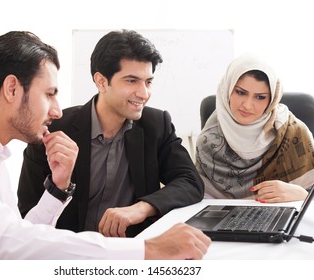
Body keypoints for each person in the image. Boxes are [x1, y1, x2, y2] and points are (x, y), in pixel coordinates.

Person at [0, 31, 211, 259]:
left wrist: (57, 188)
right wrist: (147, 250)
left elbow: (21, 236)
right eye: (49, 94)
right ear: (12, 88)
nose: (56, 111)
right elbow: (4, 244)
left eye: (148, 81)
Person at [18, 29, 204, 237]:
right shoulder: (54, 128)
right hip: (70, 254)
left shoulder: (157, 124)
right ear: (101, 81)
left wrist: (140, 208)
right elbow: (28, 214)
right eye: (131, 81)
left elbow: (190, 182)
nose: (144, 93)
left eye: (148, 82)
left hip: (130, 253)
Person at [195, 54, 314, 203]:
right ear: (227, 90)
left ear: (272, 99)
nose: (247, 105)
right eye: (241, 92)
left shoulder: (293, 131)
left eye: (260, 97)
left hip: (287, 217)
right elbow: (201, 199)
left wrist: (303, 196)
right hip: (225, 220)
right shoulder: (208, 140)